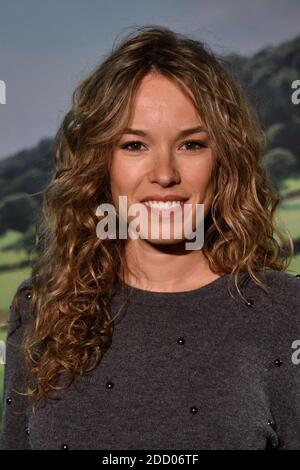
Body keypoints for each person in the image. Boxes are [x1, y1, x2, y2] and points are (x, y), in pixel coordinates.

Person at [1, 25, 300, 450]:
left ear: (225, 161)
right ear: (100, 161)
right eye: (135, 145)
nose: (164, 174)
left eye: (192, 144)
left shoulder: (287, 313)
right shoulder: (40, 311)